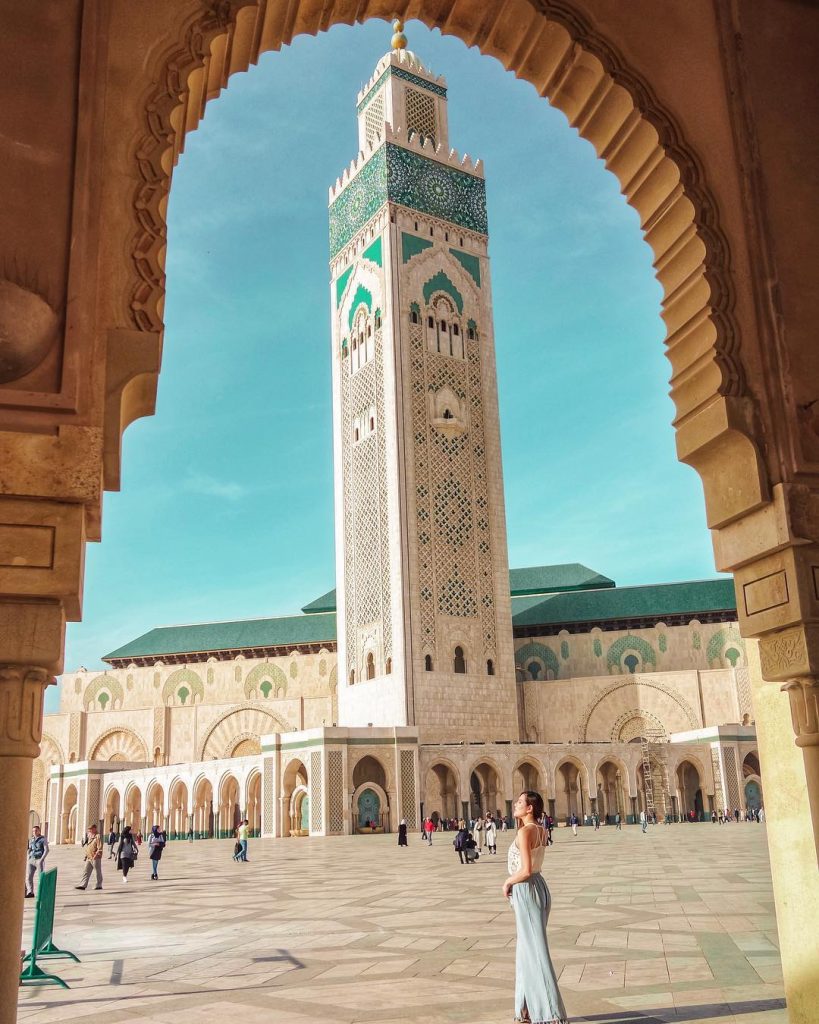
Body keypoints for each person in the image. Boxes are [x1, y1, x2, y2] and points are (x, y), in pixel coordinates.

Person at [503, 791, 568, 1024]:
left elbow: (525, 869)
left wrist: (508, 882)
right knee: (526, 949)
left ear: (530, 808)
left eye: (520, 802)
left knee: (535, 952)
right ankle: (526, 1010)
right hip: (539, 887)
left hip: (526, 889)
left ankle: (551, 1013)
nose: (516, 805)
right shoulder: (541, 830)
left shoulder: (524, 832)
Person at [75, 824, 104, 891]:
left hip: (95, 857)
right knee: (86, 871)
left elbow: (100, 847)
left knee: (97, 871)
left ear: (94, 828)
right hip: (89, 857)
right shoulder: (90, 836)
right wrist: (86, 856)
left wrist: (96, 855)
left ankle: (99, 885)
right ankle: (83, 885)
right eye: (89, 829)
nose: (89, 831)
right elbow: (88, 846)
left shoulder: (98, 836)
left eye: (90, 829)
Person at [25, 825, 49, 898]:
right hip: (31, 859)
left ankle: (42, 892)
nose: (34, 832)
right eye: (33, 831)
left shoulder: (43, 839)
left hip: (39, 860)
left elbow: (46, 850)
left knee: (41, 877)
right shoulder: (31, 839)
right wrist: (28, 854)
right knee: (29, 877)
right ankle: (30, 892)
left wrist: (42, 859)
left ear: (39, 831)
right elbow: (30, 848)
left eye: (36, 830)